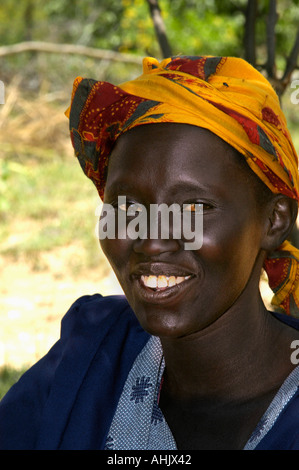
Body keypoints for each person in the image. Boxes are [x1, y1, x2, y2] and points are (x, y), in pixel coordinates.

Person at [1, 55, 299, 450]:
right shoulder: (89, 361)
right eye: (127, 207)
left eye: (193, 208)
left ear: (274, 221)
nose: (152, 240)